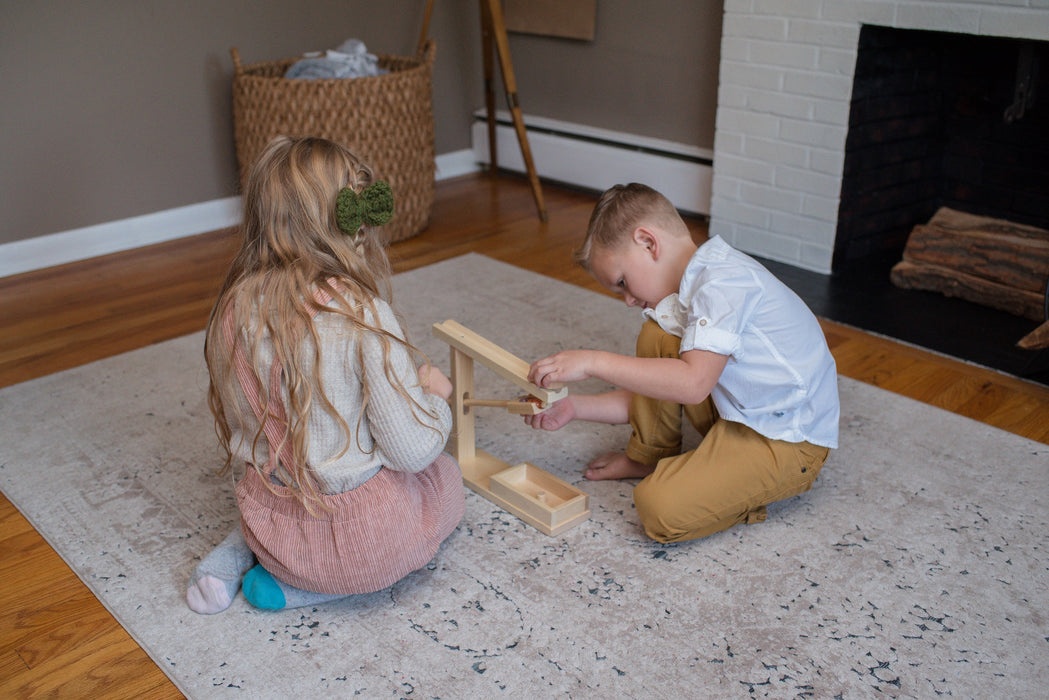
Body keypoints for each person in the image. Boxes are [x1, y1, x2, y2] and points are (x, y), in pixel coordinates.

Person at [186, 136, 463, 613]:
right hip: (367, 539)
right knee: (446, 481)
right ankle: (303, 590)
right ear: (351, 226)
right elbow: (410, 450)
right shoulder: (362, 314)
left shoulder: (231, 310)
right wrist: (434, 398)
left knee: (292, 479)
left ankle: (234, 558)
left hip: (271, 521)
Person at [526, 183, 839, 543]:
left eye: (623, 282)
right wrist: (573, 406)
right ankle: (650, 455)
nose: (627, 300)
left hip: (787, 440)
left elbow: (691, 386)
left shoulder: (722, 284)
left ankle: (741, 493)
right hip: (741, 411)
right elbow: (655, 391)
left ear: (648, 242)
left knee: (658, 506)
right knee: (657, 336)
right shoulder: (693, 288)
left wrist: (594, 361)